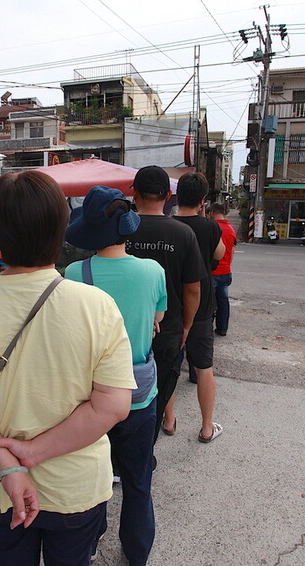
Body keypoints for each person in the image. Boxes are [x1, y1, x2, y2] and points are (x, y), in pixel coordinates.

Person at [0, 170, 136, 566]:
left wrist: (12, 466)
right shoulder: (96, 306)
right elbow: (111, 407)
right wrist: (34, 452)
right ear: (62, 228)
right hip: (74, 486)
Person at [64, 186, 167, 566]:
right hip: (139, 393)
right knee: (139, 481)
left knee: (93, 479)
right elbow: (157, 322)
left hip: (90, 396)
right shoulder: (152, 271)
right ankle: (137, 553)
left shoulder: (75, 273)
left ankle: (88, 545)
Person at [126, 165, 207, 444]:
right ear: (169, 194)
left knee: (116, 397)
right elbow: (193, 288)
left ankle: (116, 460)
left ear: (134, 193)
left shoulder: (121, 230)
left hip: (122, 331)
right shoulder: (183, 234)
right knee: (156, 399)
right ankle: (145, 454)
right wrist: (186, 326)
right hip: (168, 331)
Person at [167, 172, 225, 443]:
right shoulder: (210, 227)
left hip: (170, 306)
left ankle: (168, 421)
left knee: (169, 366)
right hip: (200, 309)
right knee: (203, 368)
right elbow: (220, 253)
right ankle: (206, 427)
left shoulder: (168, 225)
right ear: (203, 201)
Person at [208, 202, 237, 337]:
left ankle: (208, 329)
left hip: (213, 273)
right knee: (223, 301)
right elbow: (232, 252)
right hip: (226, 272)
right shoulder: (231, 229)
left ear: (212, 212)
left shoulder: (212, 228)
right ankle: (222, 329)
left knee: (210, 304)